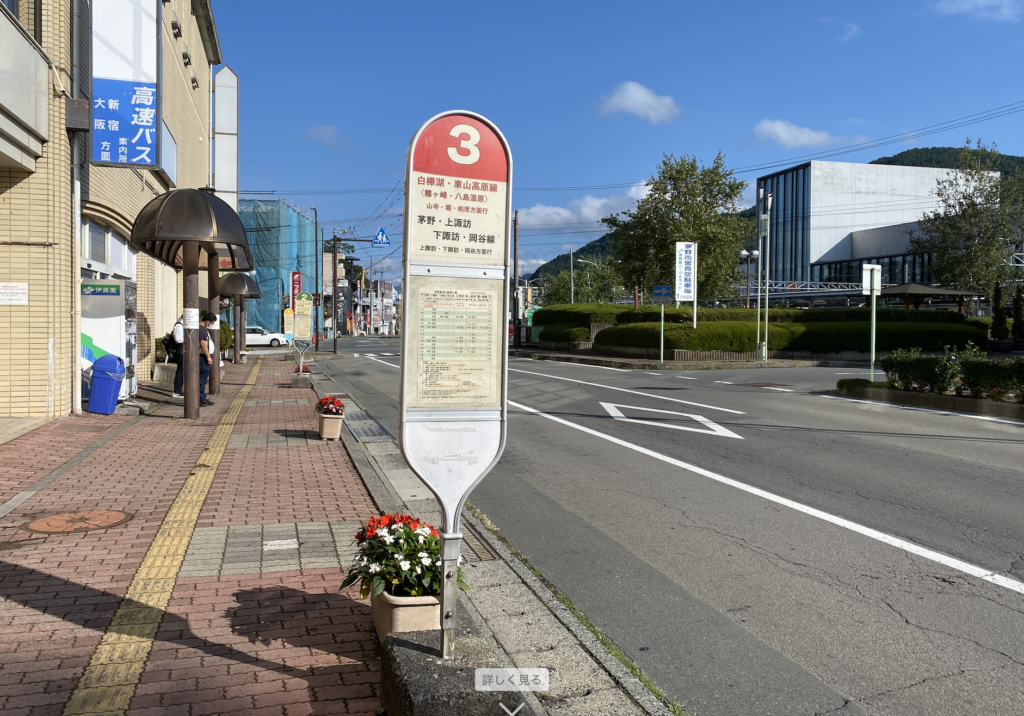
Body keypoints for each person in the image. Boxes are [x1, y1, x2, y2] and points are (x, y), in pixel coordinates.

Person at [199, 313, 217, 407]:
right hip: (203, 357)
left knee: (203, 380)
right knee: (201, 380)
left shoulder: (202, 329)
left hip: (204, 356)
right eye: (212, 323)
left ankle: (203, 398)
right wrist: (208, 356)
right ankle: (200, 399)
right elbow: (203, 344)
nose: (212, 325)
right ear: (207, 321)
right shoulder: (201, 330)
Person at [171, 314, 185, 398]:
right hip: (181, 348)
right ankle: (177, 391)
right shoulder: (179, 325)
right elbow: (178, 339)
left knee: (183, 370)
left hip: (184, 348)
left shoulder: (182, 324)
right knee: (181, 370)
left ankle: (179, 390)